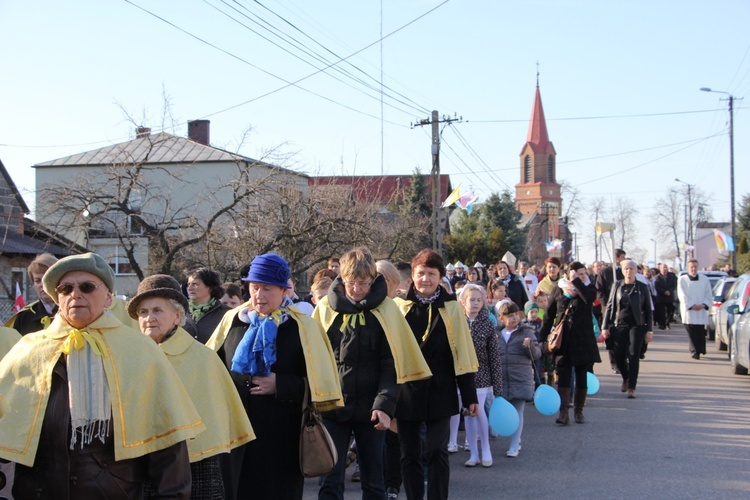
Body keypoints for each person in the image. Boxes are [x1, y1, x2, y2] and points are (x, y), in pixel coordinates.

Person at [0, 252, 203, 498]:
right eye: (65, 289)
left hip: (113, 492)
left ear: (108, 298)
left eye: (87, 287)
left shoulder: (138, 350)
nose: (76, 294)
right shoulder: (29, 350)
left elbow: (169, 441)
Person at [206, 253, 343, 500]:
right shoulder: (233, 320)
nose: (258, 295)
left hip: (283, 436)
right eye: (254, 287)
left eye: (267, 288)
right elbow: (209, 367)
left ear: (284, 290)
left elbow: (322, 384)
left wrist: (281, 385)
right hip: (235, 435)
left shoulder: (304, 327)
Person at [314, 248, 430, 499]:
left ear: (373, 280)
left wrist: (385, 406)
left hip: (371, 408)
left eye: (363, 283)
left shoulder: (387, 310)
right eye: (350, 283)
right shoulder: (325, 308)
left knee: (374, 481)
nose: (356, 289)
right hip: (333, 407)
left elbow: (392, 364)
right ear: (341, 280)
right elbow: (315, 359)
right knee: (330, 481)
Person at [128, 275, 256, 498]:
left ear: (178, 316)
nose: (149, 318)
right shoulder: (129, 357)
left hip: (196, 465)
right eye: (143, 312)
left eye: (157, 310)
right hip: (141, 462)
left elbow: (216, 417)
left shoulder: (202, 358)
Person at [394, 249, 478, 500]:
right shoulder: (398, 307)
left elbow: (463, 353)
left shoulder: (452, 308)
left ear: (441, 277)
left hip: (441, 389)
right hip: (407, 390)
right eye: (421, 273)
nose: (426, 279)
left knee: (436, 451)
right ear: (412, 275)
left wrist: (470, 395)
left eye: (432, 274)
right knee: (409, 454)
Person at [540, 261, 601, 425]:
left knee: (582, 375)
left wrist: (577, 282)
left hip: (583, 338)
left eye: (583, 274)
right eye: (577, 274)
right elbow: (549, 316)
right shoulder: (559, 289)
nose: (582, 277)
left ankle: (579, 411)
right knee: (564, 375)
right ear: (568, 274)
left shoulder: (588, 288)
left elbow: (588, 299)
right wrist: (541, 338)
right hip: (564, 338)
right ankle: (564, 412)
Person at [457, 284, 502, 468]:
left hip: (481, 374)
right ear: (463, 302)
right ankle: (474, 453)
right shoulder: (458, 323)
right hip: (461, 374)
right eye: (471, 300)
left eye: (478, 300)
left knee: (479, 411)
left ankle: (486, 449)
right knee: (468, 413)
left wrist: (497, 387)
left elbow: (494, 357)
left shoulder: (488, 324)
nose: (475, 303)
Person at [600, 259, 654, 398]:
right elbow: (610, 306)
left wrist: (649, 330)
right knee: (618, 355)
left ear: (636, 271)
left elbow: (648, 310)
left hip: (637, 324)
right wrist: (605, 326)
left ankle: (632, 387)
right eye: (626, 269)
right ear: (622, 271)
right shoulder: (617, 285)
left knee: (633, 354)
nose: (629, 271)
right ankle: (626, 377)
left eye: (631, 269)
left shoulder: (642, 287)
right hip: (619, 324)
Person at [497, 302, 541, 457]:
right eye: (510, 316)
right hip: (501, 378)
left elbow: (537, 356)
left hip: (520, 378)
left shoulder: (526, 332)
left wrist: (530, 347)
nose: (514, 318)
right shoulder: (497, 334)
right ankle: (499, 433)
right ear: (502, 318)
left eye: (516, 314)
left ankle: (515, 443)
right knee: (501, 411)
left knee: (518, 411)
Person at [4, 253, 58, 334]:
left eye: (47, 278)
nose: (43, 284)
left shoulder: (72, 311)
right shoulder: (24, 316)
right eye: (38, 280)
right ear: (33, 284)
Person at [677, 259, 713, 359]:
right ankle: (694, 351)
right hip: (689, 311)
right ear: (688, 268)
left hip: (701, 310)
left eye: (695, 267)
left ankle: (700, 349)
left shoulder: (704, 279)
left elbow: (708, 293)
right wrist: (691, 305)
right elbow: (682, 294)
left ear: (698, 267)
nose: (693, 269)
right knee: (691, 332)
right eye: (691, 267)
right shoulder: (682, 279)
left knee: (700, 332)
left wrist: (703, 305)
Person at [186, 267, 231, 344]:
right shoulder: (180, 310)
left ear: (209, 286)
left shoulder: (226, 314)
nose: (189, 288)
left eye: (195, 284)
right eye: (189, 284)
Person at [655, 263, 678, 329]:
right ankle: (662, 324)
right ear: (660, 269)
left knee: (670, 311)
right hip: (661, 297)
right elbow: (657, 287)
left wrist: (669, 291)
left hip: (669, 296)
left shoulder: (672, 276)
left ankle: (667, 323)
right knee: (661, 312)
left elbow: (674, 285)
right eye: (663, 268)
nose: (664, 269)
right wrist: (664, 291)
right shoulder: (657, 277)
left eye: (665, 267)